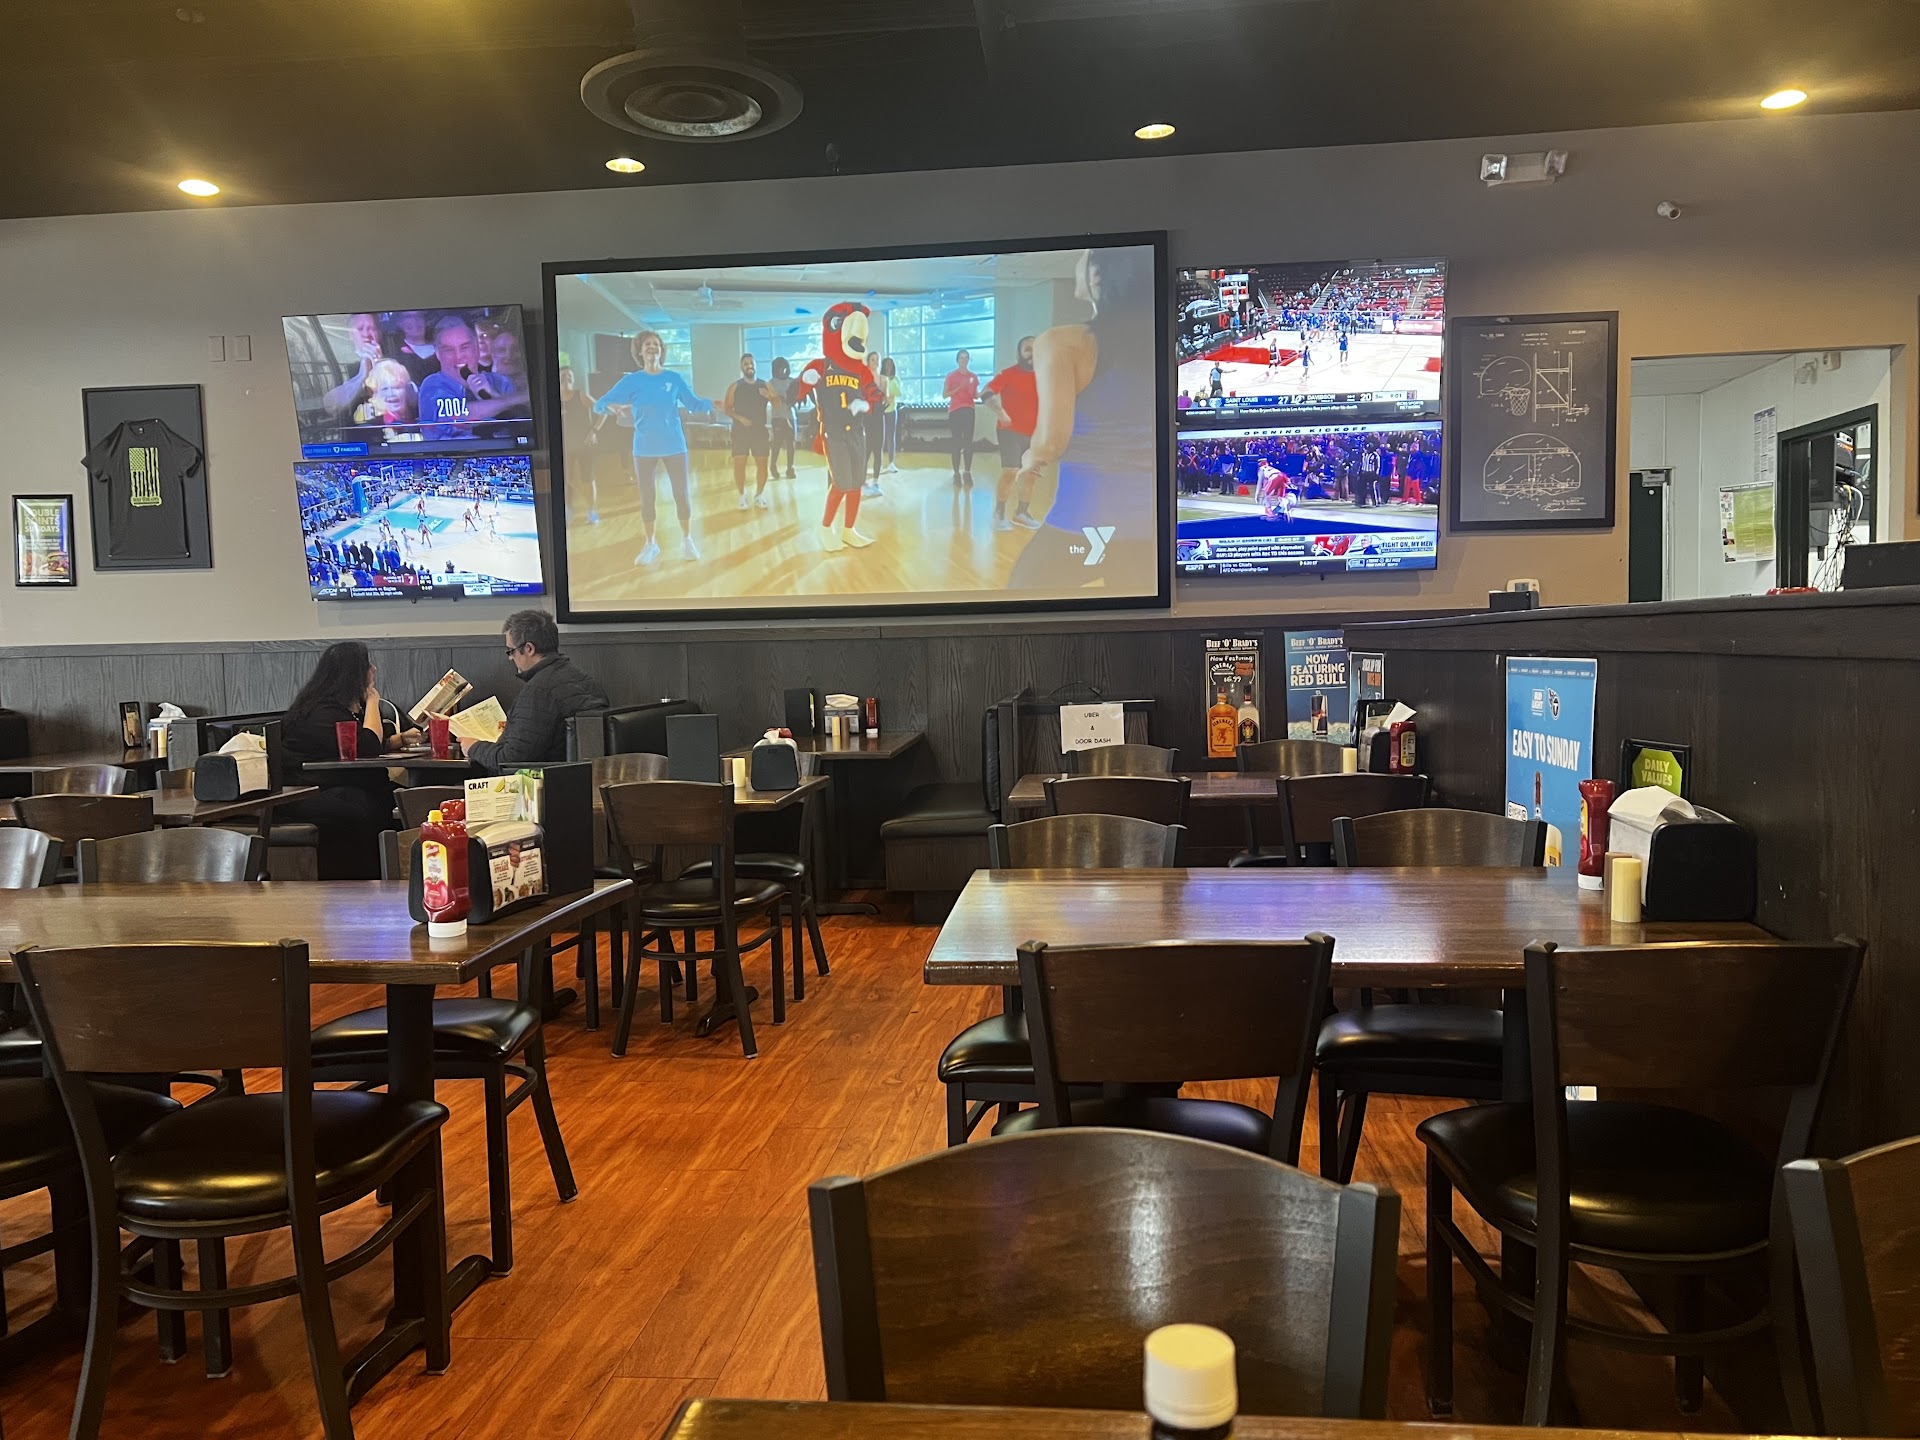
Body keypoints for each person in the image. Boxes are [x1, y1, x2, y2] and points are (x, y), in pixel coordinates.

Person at [1008, 246, 1158, 590]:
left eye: (1084, 256)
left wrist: (1031, 459)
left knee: (1022, 595)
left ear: (1097, 274)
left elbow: (1050, 442)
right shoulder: (1155, 340)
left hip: (1085, 519)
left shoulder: (1062, 342)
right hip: (1150, 527)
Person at [278, 641, 418, 879]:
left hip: (335, 783)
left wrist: (400, 739)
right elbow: (369, 744)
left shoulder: (336, 707)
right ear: (353, 674)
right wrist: (372, 700)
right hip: (306, 791)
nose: (374, 669)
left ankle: (399, 872)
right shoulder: (321, 711)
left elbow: (355, 747)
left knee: (405, 798)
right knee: (369, 804)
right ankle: (372, 877)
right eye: (368, 665)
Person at [592, 331, 714, 564]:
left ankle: (687, 540)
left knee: (681, 494)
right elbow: (600, 404)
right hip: (644, 448)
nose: (652, 347)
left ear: (661, 350)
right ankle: (651, 544)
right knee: (647, 498)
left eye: (656, 344)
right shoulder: (632, 381)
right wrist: (613, 407)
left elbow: (694, 403)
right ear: (640, 351)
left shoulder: (674, 378)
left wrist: (714, 404)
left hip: (674, 445)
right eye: (647, 344)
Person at [459, 610, 609, 773]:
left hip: (546, 783)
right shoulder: (584, 679)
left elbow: (510, 760)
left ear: (529, 649)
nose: (510, 658)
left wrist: (473, 747)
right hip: (585, 778)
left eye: (511, 651)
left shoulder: (538, 692)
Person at [417, 315, 525, 442]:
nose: (458, 356)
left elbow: (523, 424)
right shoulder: (432, 385)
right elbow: (455, 419)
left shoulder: (501, 382)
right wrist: (516, 398)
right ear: (438, 354)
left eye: (465, 347)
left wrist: (493, 394)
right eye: (448, 350)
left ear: (477, 348)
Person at [985, 336, 1039, 531]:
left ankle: (1021, 513)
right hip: (1010, 431)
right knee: (1011, 471)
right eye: (1027, 349)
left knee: (1031, 473)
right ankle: (999, 514)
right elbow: (986, 392)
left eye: (1036, 348)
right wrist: (1001, 412)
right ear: (1019, 354)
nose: (1032, 353)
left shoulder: (1046, 376)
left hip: (1036, 433)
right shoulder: (1008, 374)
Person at [724, 353, 776, 509]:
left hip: (759, 431)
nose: (749, 366)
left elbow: (778, 404)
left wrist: (771, 397)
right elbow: (727, 409)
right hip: (740, 432)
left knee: (762, 465)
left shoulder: (765, 385)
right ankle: (742, 495)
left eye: (751, 363)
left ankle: (759, 495)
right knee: (739, 464)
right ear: (742, 367)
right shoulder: (735, 386)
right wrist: (740, 418)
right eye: (746, 364)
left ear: (755, 365)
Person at [558, 365, 604, 524]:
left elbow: (602, 410)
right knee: (567, 480)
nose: (566, 379)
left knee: (588, 479)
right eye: (563, 376)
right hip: (566, 447)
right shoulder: (556, 399)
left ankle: (591, 511)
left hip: (585, 446)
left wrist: (594, 431)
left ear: (573, 379)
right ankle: (569, 509)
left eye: (569, 376)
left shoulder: (581, 395)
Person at [322, 312, 386, 416]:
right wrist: (361, 377)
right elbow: (330, 404)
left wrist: (381, 368)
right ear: (351, 334)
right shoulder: (339, 364)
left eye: (371, 328)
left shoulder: (392, 361)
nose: (366, 334)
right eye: (360, 329)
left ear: (378, 333)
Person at [943, 349, 981, 487]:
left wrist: (985, 392)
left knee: (968, 443)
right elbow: (945, 394)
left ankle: (967, 472)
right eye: (961, 358)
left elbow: (975, 396)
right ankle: (956, 473)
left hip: (969, 410)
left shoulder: (973, 377)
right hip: (955, 411)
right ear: (957, 360)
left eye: (966, 358)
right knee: (956, 442)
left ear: (969, 360)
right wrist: (959, 388)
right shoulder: (951, 376)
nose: (964, 360)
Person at [768, 357, 799, 480]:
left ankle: (790, 468)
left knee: (791, 443)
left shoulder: (792, 382)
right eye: (779, 368)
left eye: (784, 368)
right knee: (777, 442)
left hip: (791, 416)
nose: (782, 370)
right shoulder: (771, 383)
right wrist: (777, 397)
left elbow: (798, 397)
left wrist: (793, 400)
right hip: (777, 417)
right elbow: (769, 397)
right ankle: (773, 466)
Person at [394, 310, 439, 384]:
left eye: (419, 316)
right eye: (408, 317)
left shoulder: (441, 348)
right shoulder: (397, 355)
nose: (414, 320)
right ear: (400, 322)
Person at [877, 356, 902, 474]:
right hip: (881, 411)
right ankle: (879, 464)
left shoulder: (895, 379)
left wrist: (890, 385)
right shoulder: (879, 378)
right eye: (887, 365)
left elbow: (898, 393)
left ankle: (891, 463)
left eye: (890, 365)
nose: (888, 367)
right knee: (880, 438)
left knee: (890, 437)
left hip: (891, 410)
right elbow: (879, 393)